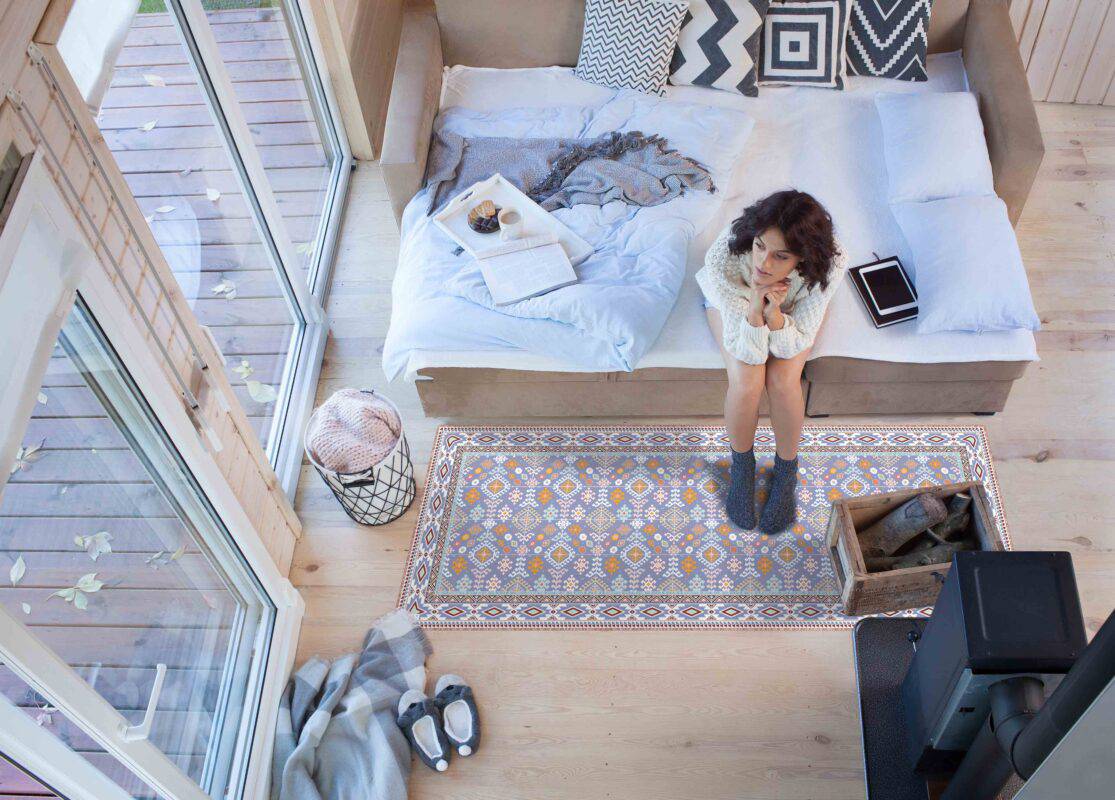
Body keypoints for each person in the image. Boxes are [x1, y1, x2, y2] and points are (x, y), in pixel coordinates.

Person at [696, 190, 846, 534]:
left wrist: (775, 315)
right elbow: (750, 352)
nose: (763, 263)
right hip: (736, 306)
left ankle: (786, 473)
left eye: (781, 256)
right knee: (747, 381)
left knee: (783, 381)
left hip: (789, 313)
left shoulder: (830, 264)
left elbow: (792, 345)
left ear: (802, 258)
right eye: (760, 246)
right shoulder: (724, 259)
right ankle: (742, 471)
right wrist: (755, 306)